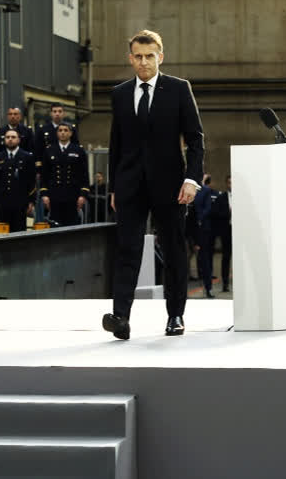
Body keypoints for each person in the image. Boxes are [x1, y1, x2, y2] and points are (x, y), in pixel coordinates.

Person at [103, 29, 204, 340]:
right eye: (138, 56)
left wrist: (192, 180)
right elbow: (116, 143)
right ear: (130, 58)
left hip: (171, 184)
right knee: (127, 249)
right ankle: (121, 317)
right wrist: (114, 188)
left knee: (173, 250)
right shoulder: (120, 94)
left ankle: (175, 315)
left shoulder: (178, 89)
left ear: (161, 56)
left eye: (150, 56)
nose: (144, 62)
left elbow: (196, 139)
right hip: (130, 184)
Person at [40, 122, 89, 227]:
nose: (63, 133)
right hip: (54, 194)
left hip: (73, 194)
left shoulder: (78, 150)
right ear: (57, 133)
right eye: (60, 130)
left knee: (72, 226)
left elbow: (84, 175)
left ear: (71, 133)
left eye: (66, 130)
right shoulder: (49, 150)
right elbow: (44, 176)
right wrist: (44, 195)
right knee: (55, 226)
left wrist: (83, 195)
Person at [0, 129, 36, 233]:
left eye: (13, 137)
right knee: (2, 231)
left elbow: (31, 181)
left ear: (19, 140)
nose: (10, 139)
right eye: (7, 137)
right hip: (2, 202)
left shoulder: (27, 157)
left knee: (19, 231)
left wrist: (31, 201)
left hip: (20, 201)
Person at [192, 174, 217, 297]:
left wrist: (199, 220)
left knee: (204, 258)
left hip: (201, 229)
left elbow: (207, 208)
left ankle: (208, 288)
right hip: (188, 227)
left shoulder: (205, 191)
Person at [209, 175, 234, 292]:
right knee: (226, 257)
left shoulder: (242, 198)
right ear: (226, 184)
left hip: (240, 232)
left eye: (233, 182)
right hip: (227, 230)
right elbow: (215, 213)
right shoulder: (221, 198)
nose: (231, 185)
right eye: (229, 183)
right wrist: (228, 212)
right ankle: (225, 283)